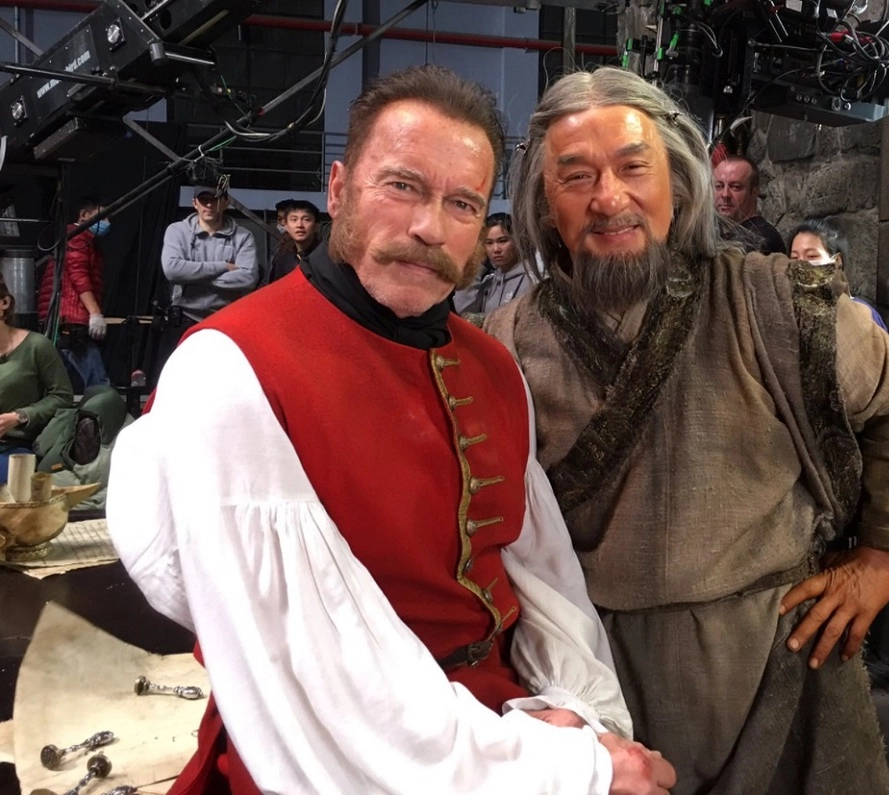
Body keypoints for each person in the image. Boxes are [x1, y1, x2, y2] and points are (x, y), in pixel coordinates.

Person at [108, 65, 674, 795]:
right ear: (338, 189)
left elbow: (542, 585)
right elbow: (321, 689)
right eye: (402, 186)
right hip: (337, 760)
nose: (429, 228)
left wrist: (569, 709)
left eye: (462, 203)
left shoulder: (496, 369)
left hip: (506, 732)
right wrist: (571, 769)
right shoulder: (230, 370)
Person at [487, 67, 889, 794]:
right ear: (545, 203)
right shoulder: (505, 343)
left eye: (634, 167)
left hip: (783, 666)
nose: (609, 198)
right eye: (576, 176)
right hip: (595, 679)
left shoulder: (774, 302)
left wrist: (882, 562)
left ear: (678, 182)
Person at [156, 182, 258, 381]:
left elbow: (248, 278)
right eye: (204, 200)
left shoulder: (243, 236)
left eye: (215, 200)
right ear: (195, 203)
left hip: (226, 322)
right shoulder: (177, 231)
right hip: (184, 319)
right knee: (179, 382)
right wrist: (222, 266)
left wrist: (193, 277)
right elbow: (172, 270)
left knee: (222, 383)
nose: (209, 205)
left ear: (225, 203)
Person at [0, 274, 73, 482]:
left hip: (16, 446)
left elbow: (62, 396)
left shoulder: (36, 346)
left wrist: (20, 416)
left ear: (4, 303)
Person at [37, 196, 110, 388]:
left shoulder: (85, 241)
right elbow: (79, 277)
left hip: (65, 320)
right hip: (71, 321)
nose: (107, 222)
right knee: (99, 383)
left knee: (59, 385)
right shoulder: (77, 238)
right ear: (84, 215)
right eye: (102, 217)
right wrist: (95, 312)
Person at [789, 218, 888, 330]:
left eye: (812, 256)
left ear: (837, 261)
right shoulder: (784, 311)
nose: (800, 264)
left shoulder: (862, 315)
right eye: (794, 258)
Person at [458, 212, 537, 315]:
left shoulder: (532, 279)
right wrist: (476, 264)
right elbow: (465, 312)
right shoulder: (489, 282)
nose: (496, 249)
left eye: (502, 241)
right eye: (489, 243)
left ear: (516, 240)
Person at [713, 155, 787, 254]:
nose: (725, 194)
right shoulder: (724, 233)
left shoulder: (761, 238)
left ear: (755, 191)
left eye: (735, 187)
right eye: (719, 186)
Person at [264, 199, 322, 284]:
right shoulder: (282, 256)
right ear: (286, 226)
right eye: (294, 220)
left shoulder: (326, 257)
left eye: (306, 220)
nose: (299, 225)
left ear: (317, 226)